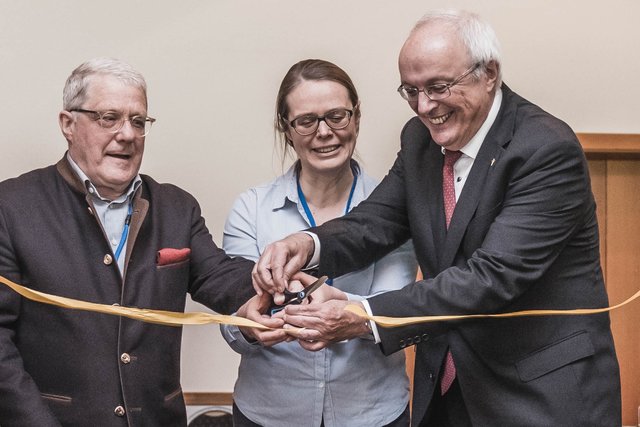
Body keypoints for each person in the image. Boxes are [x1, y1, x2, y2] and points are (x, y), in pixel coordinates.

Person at [251, 10, 621, 427]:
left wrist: (362, 317)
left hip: (540, 395)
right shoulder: (418, 141)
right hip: (447, 389)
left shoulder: (545, 149)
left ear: (489, 74)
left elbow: (490, 277)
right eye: (410, 91)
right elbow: (374, 222)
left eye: (438, 87)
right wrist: (305, 244)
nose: (424, 107)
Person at [0, 58, 255, 426]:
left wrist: (283, 288)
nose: (128, 134)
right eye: (109, 118)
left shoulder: (177, 207)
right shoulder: (11, 207)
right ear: (68, 124)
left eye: (138, 121)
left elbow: (220, 278)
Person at [220, 59, 417, 427]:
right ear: (287, 128)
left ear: (356, 117)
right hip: (268, 415)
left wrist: (345, 310)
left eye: (337, 116)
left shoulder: (394, 208)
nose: (324, 132)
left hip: (371, 415)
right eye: (307, 121)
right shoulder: (252, 208)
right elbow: (231, 320)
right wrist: (248, 324)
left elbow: (394, 308)